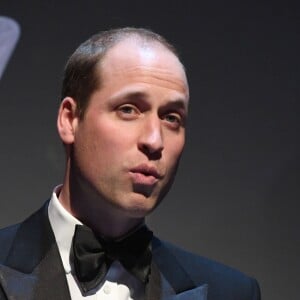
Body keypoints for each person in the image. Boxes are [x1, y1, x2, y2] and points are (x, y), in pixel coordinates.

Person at [0, 27, 261, 300]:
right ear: (70, 120)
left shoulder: (231, 293)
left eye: (171, 118)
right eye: (128, 109)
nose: (154, 140)